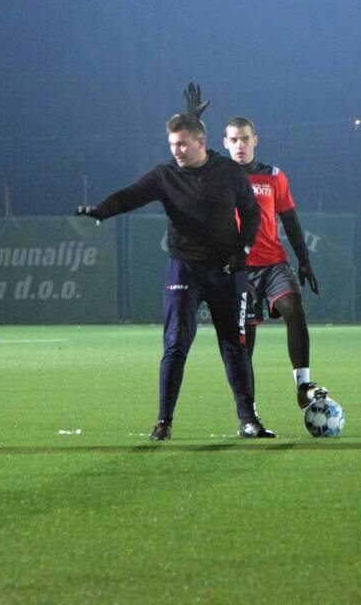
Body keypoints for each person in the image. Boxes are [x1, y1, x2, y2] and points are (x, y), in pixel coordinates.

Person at [76, 85, 274, 440]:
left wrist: (241, 251)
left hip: (227, 272)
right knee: (175, 345)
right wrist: (102, 211)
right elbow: (131, 195)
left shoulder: (228, 172)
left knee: (235, 346)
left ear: (201, 143)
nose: (176, 151)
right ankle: (163, 422)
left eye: (182, 144)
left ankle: (249, 420)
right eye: (172, 145)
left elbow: (251, 213)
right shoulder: (165, 175)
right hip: (184, 270)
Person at [221, 116, 323, 410]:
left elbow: (290, 220)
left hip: (274, 263)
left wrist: (305, 261)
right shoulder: (221, 177)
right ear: (225, 143)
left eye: (245, 138)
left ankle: (303, 385)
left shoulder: (273, 176)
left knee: (293, 306)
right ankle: (248, 410)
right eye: (234, 140)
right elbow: (192, 165)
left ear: (255, 140)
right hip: (240, 269)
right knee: (245, 339)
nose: (240, 145)